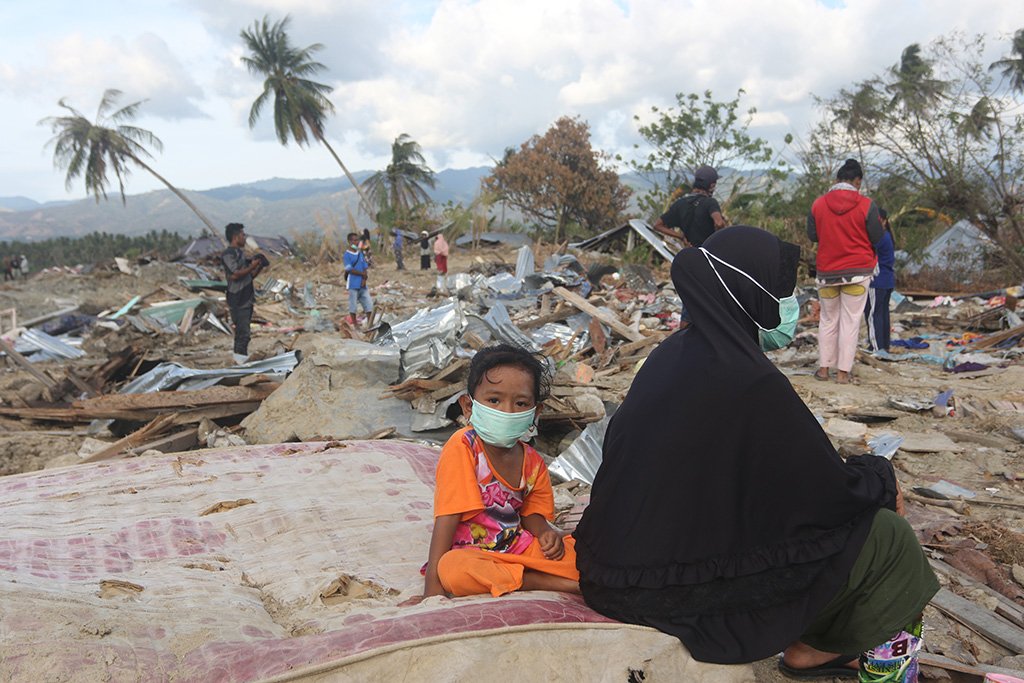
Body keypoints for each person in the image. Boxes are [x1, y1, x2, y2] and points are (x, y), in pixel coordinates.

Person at [574, 226, 938, 677]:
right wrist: (881, 478)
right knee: (888, 536)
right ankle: (858, 662)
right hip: (670, 592)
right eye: (780, 291)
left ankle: (813, 650)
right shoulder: (751, 381)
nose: (789, 306)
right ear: (751, 292)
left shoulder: (671, 355)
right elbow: (828, 493)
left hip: (613, 572)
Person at [421, 344, 580, 599]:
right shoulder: (463, 447)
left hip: (518, 548)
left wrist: (547, 534)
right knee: (452, 570)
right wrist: (432, 588)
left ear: (534, 412)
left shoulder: (532, 461)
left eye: (520, 403)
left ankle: (527, 575)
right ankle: (547, 582)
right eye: (494, 400)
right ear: (469, 407)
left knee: (581, 553)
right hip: (474, 554)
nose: (506, 411)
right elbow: (447, 517)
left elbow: (532, 516)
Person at [808, 158, 883, 384]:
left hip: (827, 272)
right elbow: (877, 237)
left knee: (828, 320)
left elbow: (813, 236)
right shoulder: (867, 205)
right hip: (858, 272)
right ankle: (843, 373)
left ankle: (823, 369)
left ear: (837, 179)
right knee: (851, 321)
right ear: (857, 181)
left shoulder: (818, 205)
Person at [221, 223, 266, 364]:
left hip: (246, 298)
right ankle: (239, 362)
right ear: (235, 237)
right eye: (242, 234)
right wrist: (252, 265)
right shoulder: (228, 254)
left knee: (244, 333)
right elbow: (235, 275)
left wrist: (258, 266)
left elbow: (248, 276)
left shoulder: (241, 254)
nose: (244, 237)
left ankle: (241, 360)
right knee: (242, 333)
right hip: (237, 298)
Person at [652, 165, 728, 247]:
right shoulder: (710, 202)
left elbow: (657, 225)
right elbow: (719, 223)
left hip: (692, 253)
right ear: (712, 186)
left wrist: (681, 237)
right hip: (710, 252)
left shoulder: (680, 203)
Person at [865, 208, 895, 353]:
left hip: (877, 281)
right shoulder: (887, 236)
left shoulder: (879, 239)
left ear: (883, 221)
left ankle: (876, 347)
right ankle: (883, 345)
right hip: (887, 280)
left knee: (872, 314)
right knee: (882, 314)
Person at [342, 231, 373, 327]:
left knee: (368, 305)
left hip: (362, 285)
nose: (356, 242)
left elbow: (364, 267)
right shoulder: (346, 255)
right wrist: (362, 274)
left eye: (357, 240)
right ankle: (355, 325)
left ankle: (370, 323)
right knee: (353, 306)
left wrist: (364, 280)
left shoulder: (360, 254)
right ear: (349, 241)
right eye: (354, 240)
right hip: (353, 284)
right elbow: (349, 269)